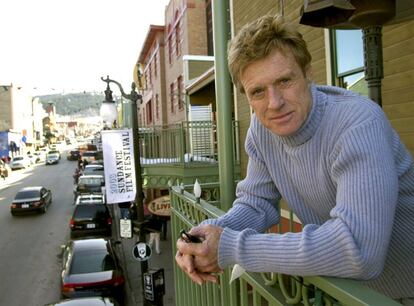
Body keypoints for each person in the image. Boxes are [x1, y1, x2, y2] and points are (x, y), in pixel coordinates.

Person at [175, 14, 414, 303]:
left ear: (307, 73)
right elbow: (257, 203)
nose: (274, 103)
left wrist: (231, 247)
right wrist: (205, 240)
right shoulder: (262, 132)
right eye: (258, 91)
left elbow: (358, 249)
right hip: (360, 294)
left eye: (284, 81)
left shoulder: (356, 124)